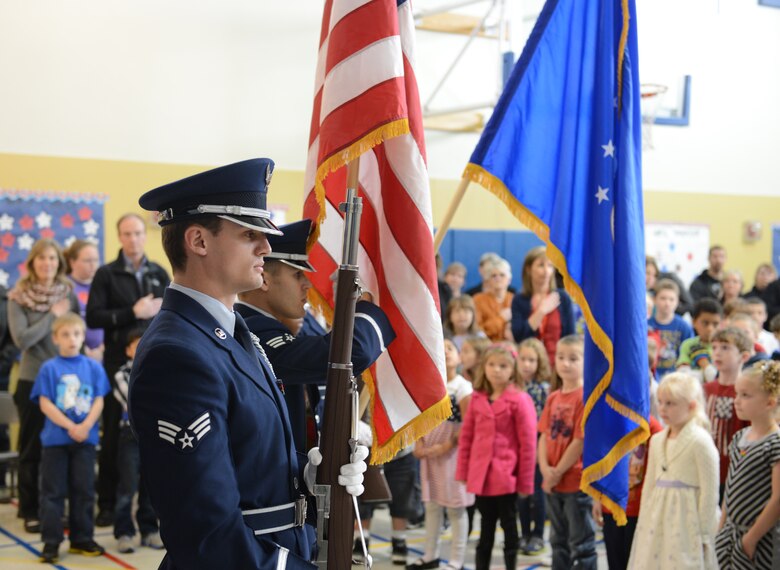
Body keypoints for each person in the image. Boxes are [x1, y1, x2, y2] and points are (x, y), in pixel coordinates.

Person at [129, 158, 366, 569]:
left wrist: (311, 482)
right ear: (199, 241)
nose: (267, 247)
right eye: (249, 234)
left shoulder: (236, 333)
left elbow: (248, 463)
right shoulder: (178, 354)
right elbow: (207, 532)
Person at [234, 218, 394, 454]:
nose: (308, 285)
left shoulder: (263, 329)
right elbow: (353, 353)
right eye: (298, 275)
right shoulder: (254, 334)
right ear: (265, 279)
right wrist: (364, 305)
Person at [86, 212, 170, 526]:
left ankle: (152, 508)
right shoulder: (106, 274)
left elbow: (171, 314)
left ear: (143, 236)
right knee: (113, 436)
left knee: (153, 433)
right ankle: (107, 505)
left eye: (137, 233)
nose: (133, 239)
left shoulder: (159, 273)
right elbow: (93, 318)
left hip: (153, 363)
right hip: (116, 364)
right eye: (127, 234)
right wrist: (131, 312)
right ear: (119, 237)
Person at [7, 238, 79, 533]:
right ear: (32, 263)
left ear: (58, 263)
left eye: (52, 258)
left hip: (66, 380)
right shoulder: (18, 297)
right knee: (31, 448)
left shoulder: (67, 293)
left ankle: (53, 506)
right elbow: (21, 340)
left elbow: (75, 330)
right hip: (33, 379)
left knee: (59, 448)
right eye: (41, 258)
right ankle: (29, 509)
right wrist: (52, 315)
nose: (47, 263)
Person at [31, 312, 110, 563]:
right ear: (56, 338)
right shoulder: (49, 368)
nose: (72, 339)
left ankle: (82, 538)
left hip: (84, 441)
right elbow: (45, 403)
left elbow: (99, 400)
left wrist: (85, 426)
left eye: (76, 334)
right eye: (65, 334)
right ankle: (51, 542)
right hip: (56, 441)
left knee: (84, 491)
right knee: (52, 493)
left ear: (83, 336)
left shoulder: (93, 367)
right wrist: (70, 426)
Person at [456, 343, 537, 570]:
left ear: (513, 370)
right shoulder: (477, 398)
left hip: (507, 479)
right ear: (484, 367)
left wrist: (525, 483)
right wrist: (463, 472)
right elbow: (467, 439)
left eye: (503, 366)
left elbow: (528, 446)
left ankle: (511, 565)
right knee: (485, 532)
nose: (496, 370)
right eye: (491, 365)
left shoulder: (520, 400)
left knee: (511, 530)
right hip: (482, 478)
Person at [628, 373, 719, 570]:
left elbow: (709, 491)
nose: (663, 409)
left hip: (687, 520)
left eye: (671, 403)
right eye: (660, 402)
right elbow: (650, 484)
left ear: (692, 406)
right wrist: (644, 518)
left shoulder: (700, 441)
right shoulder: (657, 440)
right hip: (657, 516)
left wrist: (703, 531)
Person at [408, 338, 473, 570]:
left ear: (459, 356)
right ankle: (430, 555)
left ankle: (456, 560)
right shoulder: (429, 382)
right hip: (429, 453)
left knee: (456, 508)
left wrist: (445, 447)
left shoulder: (462, 387)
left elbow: (467, 424)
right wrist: (418, 444)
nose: (445, 352)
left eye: (450, 348)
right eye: (441, 347)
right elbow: (419, 417)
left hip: (452, 454)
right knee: (433, 506)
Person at [537, 335, 596, 570]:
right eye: (561, 357)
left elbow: (579, 441)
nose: (565, 363)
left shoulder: (584, 397)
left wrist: (558, 471)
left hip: (574, 481)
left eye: (573, 358)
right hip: (553, 482)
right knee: (557, 540)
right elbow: (543, 435)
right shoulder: (553, 397)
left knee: (581, 543)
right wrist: (544, 470)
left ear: (586, 361)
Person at [715, 361, 780, 568]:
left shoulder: (775, 444)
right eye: (736, 394)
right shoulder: (740, 437)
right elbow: (730, 486)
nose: (737, 401)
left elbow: (778, 500)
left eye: (746, 395)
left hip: (761, 539)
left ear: (770, 403)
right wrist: (722, 525)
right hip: (730, 535)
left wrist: (750, 539)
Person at [112, 328, 163, 553]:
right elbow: (135, 400)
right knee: (128, 485)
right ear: (128, 350)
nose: (142, 347)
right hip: (130, 436)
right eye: (136, 344)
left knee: (150, 486)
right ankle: (124, 532)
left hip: (153, 436)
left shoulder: (159, 370)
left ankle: (149, 529)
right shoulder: (121, 374)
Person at [515, 337, 552, 556]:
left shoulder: (542, 389)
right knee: (521, 494)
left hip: (536, 446)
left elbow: (544, 424)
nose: (527, 364)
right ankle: (525, 533)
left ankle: (538, 534)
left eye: (532, 360)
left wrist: (540, 451)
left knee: (537, 493)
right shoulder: (515, 386)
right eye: (523, 359)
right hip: (518, 447)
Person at [706, 327, 752, 501]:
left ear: (744, 356)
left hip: (735, 472)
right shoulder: (706, 389)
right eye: (715, 347)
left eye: (725, 348)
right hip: (706, 468)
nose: (717, 353)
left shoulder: (747, 392)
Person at [511, 246, 575, 365]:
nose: (546, 271)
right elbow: (519, 336)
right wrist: (541, 311)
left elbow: (570, 337)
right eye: (541, 265)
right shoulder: (519, 299)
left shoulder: (562, 297)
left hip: (558, 364)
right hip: (529, 365)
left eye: (550, 266)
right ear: (528, 269)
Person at [64, 239, 104, 361]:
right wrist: (83, 350)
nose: (93, 265)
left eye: (95, 260)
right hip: (74, 353)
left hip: (102, 354)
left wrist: (102, 349)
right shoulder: (65, 287)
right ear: (72, 262)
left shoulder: (103, 285)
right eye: (87, 260)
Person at [647, 278, 694, 379]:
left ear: (677, 301)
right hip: (650, 377)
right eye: (663, 298)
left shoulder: (684, 326)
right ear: (655, 299)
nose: (667, 303)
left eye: (671, 299)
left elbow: (689, 353)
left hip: (675, 377)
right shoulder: (646, 325)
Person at [0, 284, 20, 503]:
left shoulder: (5, 298)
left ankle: (1, 483)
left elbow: (12, 341)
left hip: (1, 374)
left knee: (0, 431)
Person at [675, 298, 723, 382]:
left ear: (722, 324)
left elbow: (720, 379)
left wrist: (703, 362)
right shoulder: (688, 344)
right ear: (694, 322)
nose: (710, 329)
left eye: (715, 324)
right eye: (705, 323)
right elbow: (683, 374)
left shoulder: (724, 347)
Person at [473, 258, 514, 341]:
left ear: (509, 280)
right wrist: (501, 318)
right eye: (493, 276)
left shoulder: (515, 299)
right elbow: (479, 331)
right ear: (487, 281)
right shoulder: (478, 300)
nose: (498, 278)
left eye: (502, 275)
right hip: (486, 347)